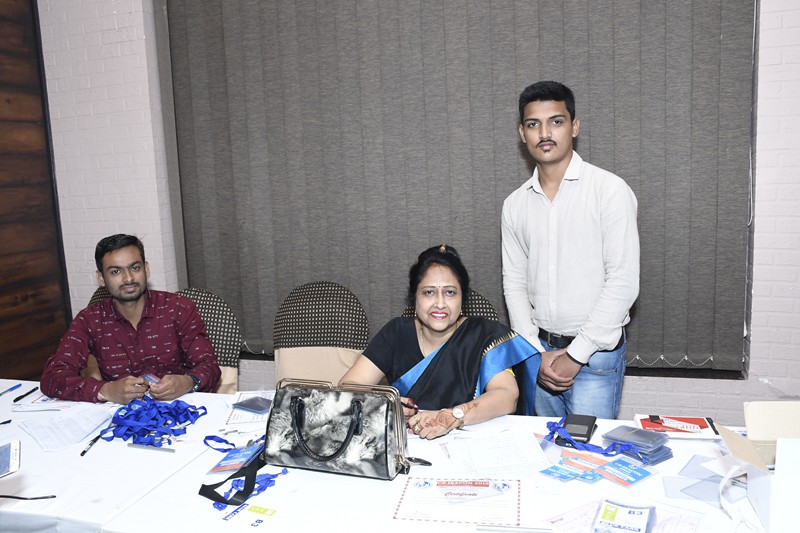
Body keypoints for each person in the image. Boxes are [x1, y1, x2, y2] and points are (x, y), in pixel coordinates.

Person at [502, 81, 640, 419]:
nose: (544, 133)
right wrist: (533, 352)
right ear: (522, 133)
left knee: (589, 450)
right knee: (543, 448)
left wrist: (576, 354)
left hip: (595, 357)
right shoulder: (515, 204)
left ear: (574, 127)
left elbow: (623, 282)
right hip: (540, 356)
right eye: (533, 124)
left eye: (556, 121)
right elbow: (514, 284)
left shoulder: (609, 191)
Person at [340, 244, 538, 440]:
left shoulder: (484, 334)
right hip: (409, 444)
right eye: (429, 292)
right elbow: (347, 387)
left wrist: (452, 416)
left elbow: (507, 395)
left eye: (450, 292)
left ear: (462, 298)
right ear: (414, 297)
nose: (440, 304)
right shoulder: (396, 332)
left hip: (471, 443)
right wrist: (386, 404)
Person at [41, 234, 221, 403]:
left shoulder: (179, 308)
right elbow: (52, 377)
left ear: (146, 269)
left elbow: (210, 366)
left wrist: (188, 382)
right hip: (121, 416)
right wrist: (106, 390)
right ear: (101, 278)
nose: (128, 278)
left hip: (180, 409)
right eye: (115, 271)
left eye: (135, 268)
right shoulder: (90, 320)